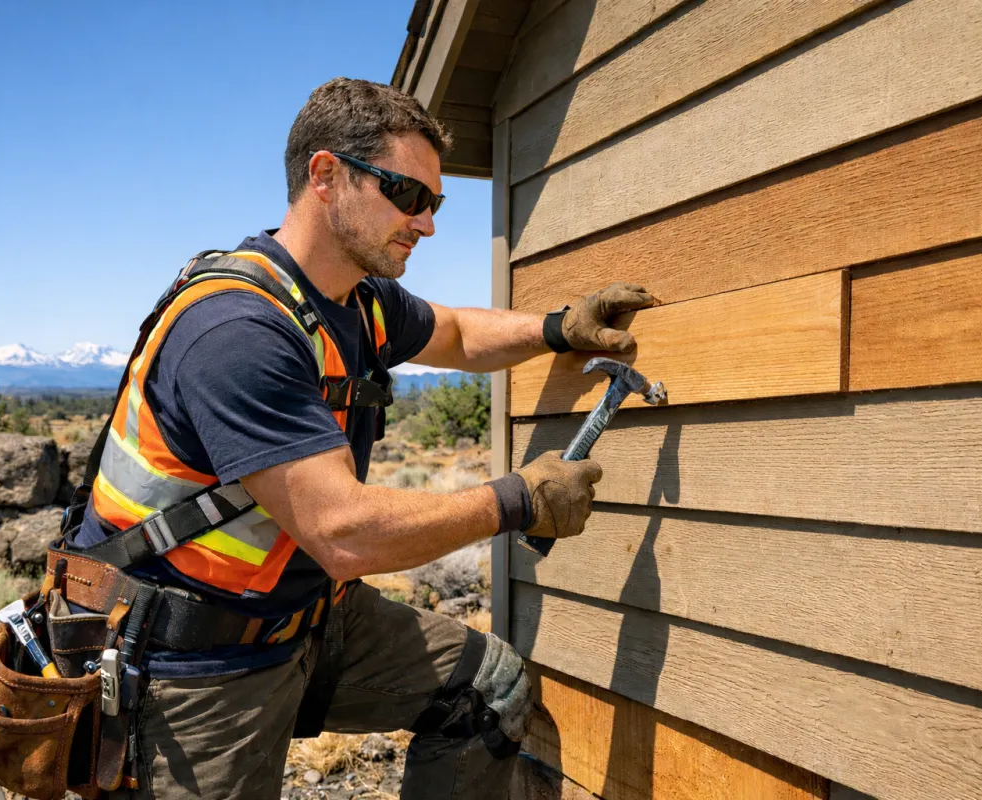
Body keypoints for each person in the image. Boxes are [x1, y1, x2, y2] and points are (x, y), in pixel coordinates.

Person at [63, 77, 654, 799]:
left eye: (434, 203)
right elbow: (342, 533)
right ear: (325, 175)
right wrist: (516, 499)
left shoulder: (357, 300)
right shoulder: (237, 331)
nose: (426, 223)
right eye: (408, 196)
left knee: (485, 689)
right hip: (190, 666)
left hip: (304, 620)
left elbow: (462, 334)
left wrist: (559, 327)